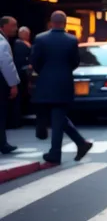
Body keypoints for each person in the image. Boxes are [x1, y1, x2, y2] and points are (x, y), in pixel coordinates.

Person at [30, 11, 92, 164]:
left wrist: (44, 72)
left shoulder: (40, 38)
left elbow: (35, 61)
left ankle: (56, 152)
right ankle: (80, 143)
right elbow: (75, 61)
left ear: (51, 22)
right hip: (64, 82)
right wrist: (64, 71)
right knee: (59, 117)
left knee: (55, 117)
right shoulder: (72, 40)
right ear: (65, 23)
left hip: (45, 82)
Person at [0, 16, 20, 154]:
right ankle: (2, 144)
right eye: (13, 25)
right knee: (1, 114)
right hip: (1, 82)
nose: (16, 28)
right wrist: (13, 84)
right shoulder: (2, 42)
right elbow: (6, 64)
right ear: (4, 26)